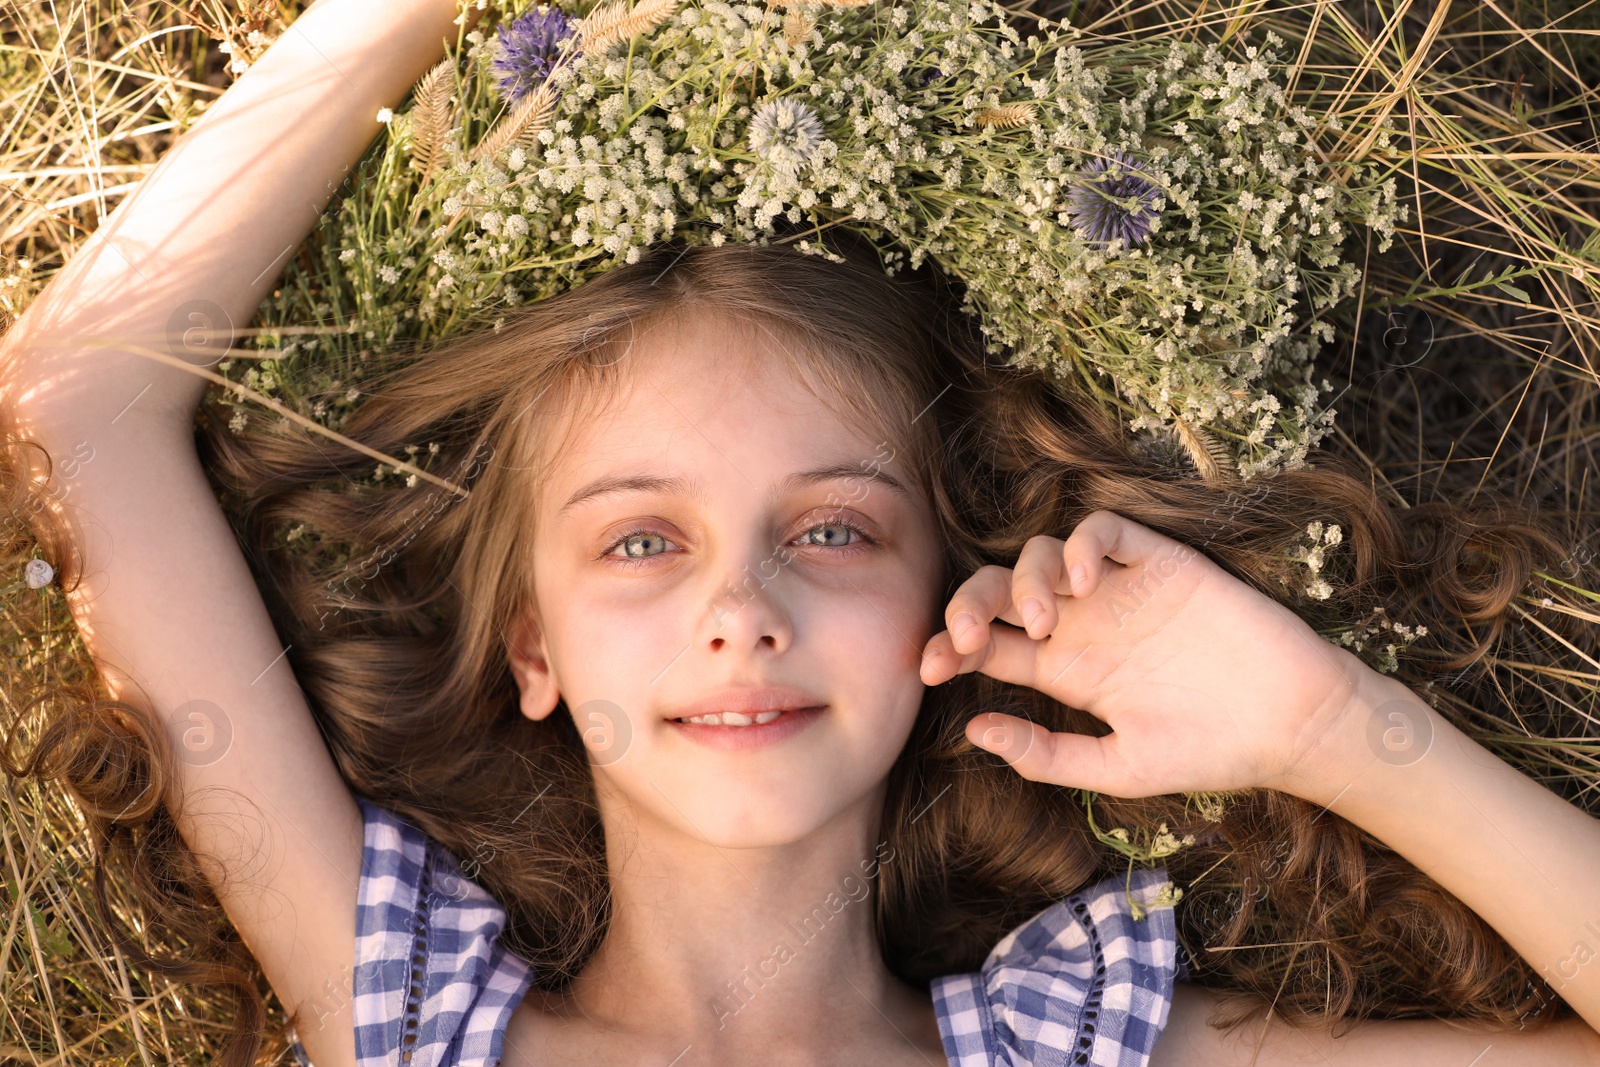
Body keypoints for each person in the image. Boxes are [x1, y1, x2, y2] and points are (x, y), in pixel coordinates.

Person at [2, 1, 1599, 1066]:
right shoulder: (406, 1022)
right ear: (529, 643)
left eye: (831, 531)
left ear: (944, 603)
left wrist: (1321, 725)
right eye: (638, 542)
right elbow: (78, 406)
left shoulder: (1087, 1045)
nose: (740, 610)